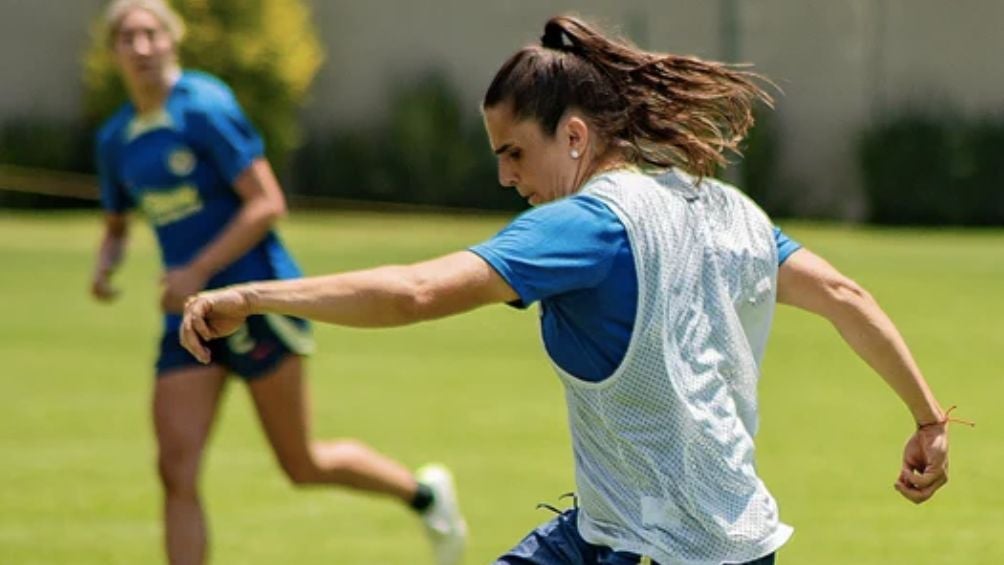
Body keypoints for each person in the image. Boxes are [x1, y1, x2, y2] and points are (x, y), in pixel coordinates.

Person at [179, 14, 954, 565]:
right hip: (651, 531)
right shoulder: (724, 209)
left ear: (575, 137)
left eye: (515, 152)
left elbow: (414, 292)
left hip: (672, 547)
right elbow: (846, 296)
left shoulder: (584, 225)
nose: (504, 176)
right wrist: (926, 418)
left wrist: (253, 296)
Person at [89, 2, 466, 564]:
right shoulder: (116, 139)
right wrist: (106, 262)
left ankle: (425, 495)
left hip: (258, 302)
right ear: (114, 50)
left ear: (172, 43)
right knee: (176, 469)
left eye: (151, 34)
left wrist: (196, 271)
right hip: (187, 321)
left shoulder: (204, 107)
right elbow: (117, 224)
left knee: (301, 463)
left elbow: (267, 202)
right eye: (128, 37)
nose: (141, 47)